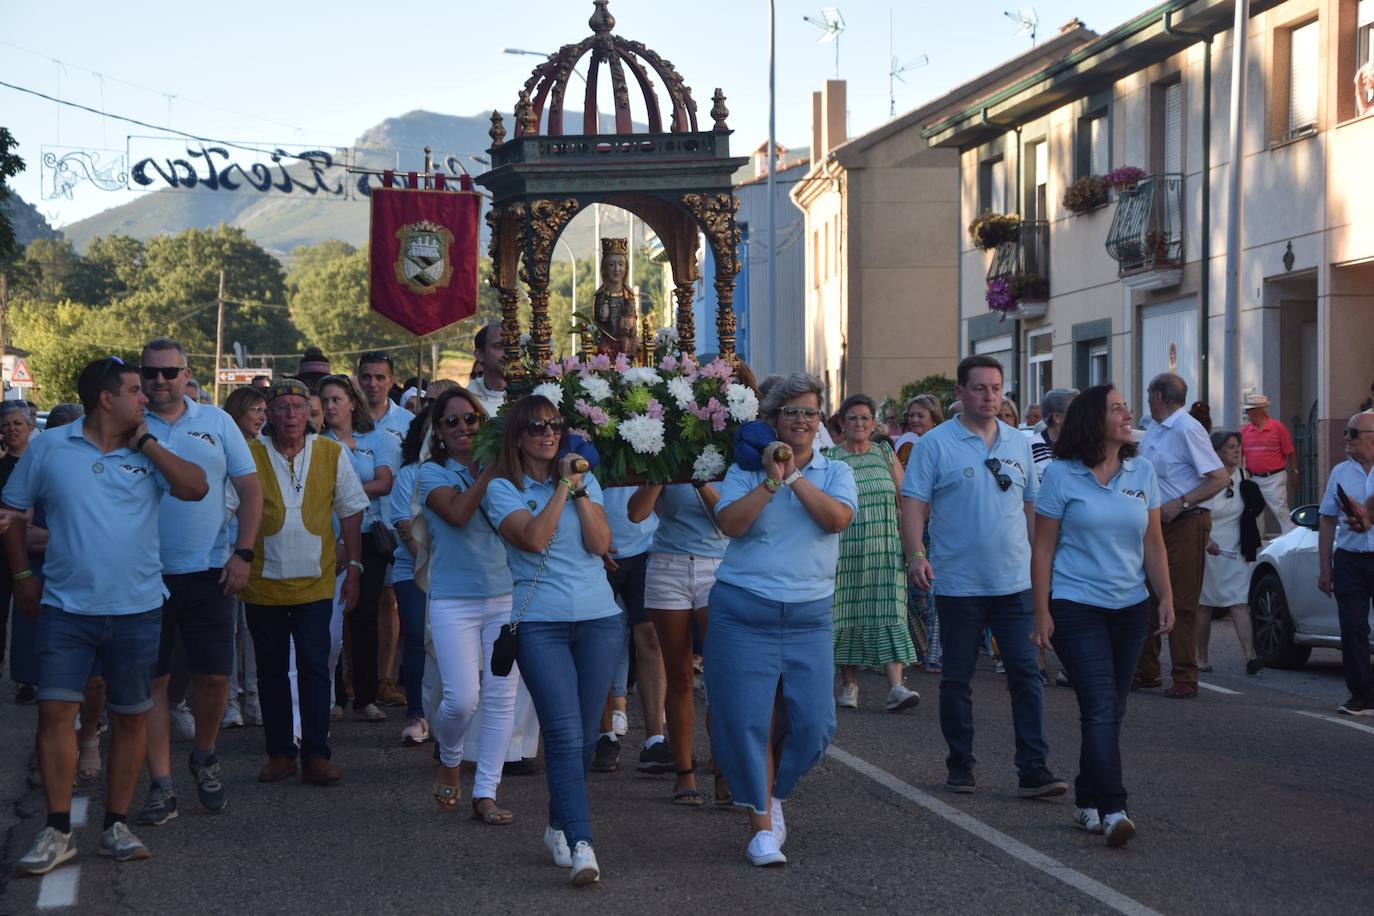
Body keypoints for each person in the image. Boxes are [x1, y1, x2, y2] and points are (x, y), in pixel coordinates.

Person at [8, 356, 208, 875]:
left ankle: (114, 824)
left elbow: (195, 488)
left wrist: (146, 444)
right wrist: (22, 576)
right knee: (55, 713)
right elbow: (11, 514)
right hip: (65, 610)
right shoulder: (50, 447)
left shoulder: (152, 447)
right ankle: (56, 831)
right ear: (106, 398)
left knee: (129, 716)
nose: (147, 398)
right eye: (136, 390)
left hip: (138, 611)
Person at [709, 372, 857, 867]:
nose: (800, 420)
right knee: (746, 722)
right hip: (742, 611)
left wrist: (794, 476)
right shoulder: (744, 472)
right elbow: (730, 524)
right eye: (791, 411)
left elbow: (836, 520)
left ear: (820, 422)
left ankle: (773, 792)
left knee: (815, 726)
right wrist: (771, 480)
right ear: (773, 419)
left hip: (809, 616)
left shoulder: (835, 472)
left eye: (810, 412)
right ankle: (761, 830)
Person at [901, 355, 1066, 798]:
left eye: (996, 388)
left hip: (1014, 582)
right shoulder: (935, 444)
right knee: (957, 677)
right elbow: (913, 503)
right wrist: (916, 554)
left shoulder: (1019, 442)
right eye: (980, 388)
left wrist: (1040, 567)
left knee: (1026, 674)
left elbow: (1032, 508)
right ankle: (961, 763)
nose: (990, 396)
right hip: (958, 584)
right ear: (960, 393)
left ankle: (1033, 768)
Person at [1030, 384, 1174, 848]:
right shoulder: (1061, 475)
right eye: (1117, 408)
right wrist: (1041, 612)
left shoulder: (1142, 470)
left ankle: (1087, 798)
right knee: (1098, 707)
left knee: (1112, 709)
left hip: (1130, 608)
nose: (1127, 413)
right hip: (1076, 606)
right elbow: (1043, 548)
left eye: (1126, 407)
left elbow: (1152, 542)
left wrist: (1165, 597)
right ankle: (1114, 808)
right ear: (1095, 420)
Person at [482, 395, 617, 886]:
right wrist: (562, 486)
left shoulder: (587, 480)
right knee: (561, 735)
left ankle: (559, 823)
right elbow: (534, 538)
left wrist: (580, 490)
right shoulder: (502, 488)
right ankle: (582, 843)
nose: (548, 432)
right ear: (518, 435)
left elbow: (601, 544)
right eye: (537, 426)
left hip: (600, 619)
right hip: (540, 624)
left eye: (556, 424)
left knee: (582, 740)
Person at [135, 338, 262, 827]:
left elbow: (250, 489)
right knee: (156, 683)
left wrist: (243, 554)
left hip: (210, 569)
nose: (160, 381)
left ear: (187, 375)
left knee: (213, 676)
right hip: (144, 573)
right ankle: (161, 784)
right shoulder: (130, 422)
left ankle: (205, 754)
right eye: (151, 373)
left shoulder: (216, 421)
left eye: (170, 372)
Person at [240, 379, 367, 785]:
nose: (291, 415)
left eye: (299, 407)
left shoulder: (331, 453)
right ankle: (280, 752)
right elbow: (232, 509)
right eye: (282, 408)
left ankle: (316, 753)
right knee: (271, 670)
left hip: (316, 581)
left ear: (309, 414)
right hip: (264, 582)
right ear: (269, 415)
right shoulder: (249, 455)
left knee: (315, 667)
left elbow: (351, 511)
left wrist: (355, 567)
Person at [423, 388, 521, 824]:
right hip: (453, 600)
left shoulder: (507, 472)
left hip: (505, 596)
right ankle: (450, 753)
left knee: (501, 698)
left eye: (471, 419)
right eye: (452, 422)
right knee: (462, 699)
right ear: (439, 432)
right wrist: (489, 472)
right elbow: (459, 513)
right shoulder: (429, 473)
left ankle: (486, 791)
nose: (463, 428)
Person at [629, 472, 730, 805]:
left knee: (720, 677)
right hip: (667, 565)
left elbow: (729, 522)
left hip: (717, 566)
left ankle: (724, 768)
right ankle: (684, 772)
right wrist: (664, 471)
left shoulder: (730, 453)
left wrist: (699, 482)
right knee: (680, 675)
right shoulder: (667, 450)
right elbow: (636, 513)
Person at [1133, 373, 1229, 699]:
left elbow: (1219, 478)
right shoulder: (1156, 429)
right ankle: (1146, 670)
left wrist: (1182, 501)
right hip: (1154, 523)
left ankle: (1185, 674)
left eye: (1149, 392)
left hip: (1185, 522)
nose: (1146, 398)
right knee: (1146, 596)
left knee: (1181, 598)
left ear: (1159, 395)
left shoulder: (1187, 429)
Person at [824, 394, 919, 712]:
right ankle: (849, 684)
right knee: (845, 614)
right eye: (853, 418)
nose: (859, 424)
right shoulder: (830, 457)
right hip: (845, 551)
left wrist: (913, 550)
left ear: (874, 422)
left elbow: (904, 502)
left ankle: (896, 686)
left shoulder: (884, 453)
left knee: (890, 612)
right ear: (842, 422)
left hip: (885, 550)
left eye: (865, 418)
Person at [318, 374, 399, 721]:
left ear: (352, 403)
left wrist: (346, 489)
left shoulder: (374, 438)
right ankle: (333, 696)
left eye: (336, 399)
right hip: (327, 538)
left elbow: (385, 482)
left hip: (367, 536)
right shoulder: (317, 442)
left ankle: (365, 696)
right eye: (324, 401)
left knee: (364, 614)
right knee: (328, 618)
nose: (330, 406)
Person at [591, 486, 670, 777]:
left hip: (646, 545)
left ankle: (655, 739)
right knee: (598, 639)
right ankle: (604, 736)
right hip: (595, 542)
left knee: (651, 638)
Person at [356, 351, 411, 711]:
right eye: (366, 377)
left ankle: (385, 677)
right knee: (357, 603)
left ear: (391, 380)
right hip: (354, 522)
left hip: (395, 524)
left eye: (380, 377)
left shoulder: (406, 421)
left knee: (389, 601)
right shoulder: (348, 419)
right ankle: (355, 675)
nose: (373, 383)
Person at [1317, 411, 1374, 716]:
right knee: (1352, 628)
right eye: (1346, 433)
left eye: (1353, 433)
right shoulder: (1340, 472)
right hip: (1350, 559)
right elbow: (1326, 520)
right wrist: (1325, 566)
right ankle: (1362, 695)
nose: (1347, 439)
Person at [1198, 431, 1267, 676]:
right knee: (1204, 605)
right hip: (1208, 549)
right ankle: (1201, 658)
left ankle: (1250, 656)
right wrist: (1206, 540)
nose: (1237, 451)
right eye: (1230, 447)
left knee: (1239, 602)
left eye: (1238, 446)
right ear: (1217, 452)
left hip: (1236, 549)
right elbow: (1196, 514)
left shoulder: (1241, 475)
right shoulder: (1204, 479)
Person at [221, 387, 269, 729]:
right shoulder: (222, 447)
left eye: (264, 408)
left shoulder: (264, 450)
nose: (261, 415)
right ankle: (229, 701)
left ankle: (255, 697)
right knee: (229, 629)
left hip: (257, 548)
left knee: (253, 630)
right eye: (254, 409)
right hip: (225, 548)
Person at [386, 407, 432, 746]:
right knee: (417, 636)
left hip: (457, 571)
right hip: (412, 568)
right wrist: (432, 564)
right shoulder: (408, 474)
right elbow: (404, 526)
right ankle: (417, 713)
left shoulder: (465, 473)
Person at [0, 401, 39, 702]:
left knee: (30, 615)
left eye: (17, 423)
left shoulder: (41, 463)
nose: (12, 429)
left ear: (30, 426)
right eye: (6, 425)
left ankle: (28, 678)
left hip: (35, 552)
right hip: (2, 550)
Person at [1240, 393, 1297, 534]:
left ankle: (1291, 540)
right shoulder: (1245, 431)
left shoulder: (1278, 428)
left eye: (1249, 410)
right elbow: (1238, 455)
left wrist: (1295, 472)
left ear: (1260, 410)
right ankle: (1257, 542)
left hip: (1274, 477)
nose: (1247, 413)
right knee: (1254, 512)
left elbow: (1290, 452)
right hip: (1253, 478)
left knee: (1280, 510)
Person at [1031, 388, 1078, 483]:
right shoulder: (1032, 448)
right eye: (1075, 411)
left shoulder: (1082, 447)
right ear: (1057, 417)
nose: (1081, 416)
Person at [467, 323, 509, 417]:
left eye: (511, 345)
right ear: (480, 355)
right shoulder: (467, 401)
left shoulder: (531, 394)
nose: (508, 353)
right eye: (499, 346)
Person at [894, 394, 943, 468]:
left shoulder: (942, 445)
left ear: (934, 419)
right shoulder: (904, 445)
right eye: (911, 415)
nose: (914, 420)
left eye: (920, 416)